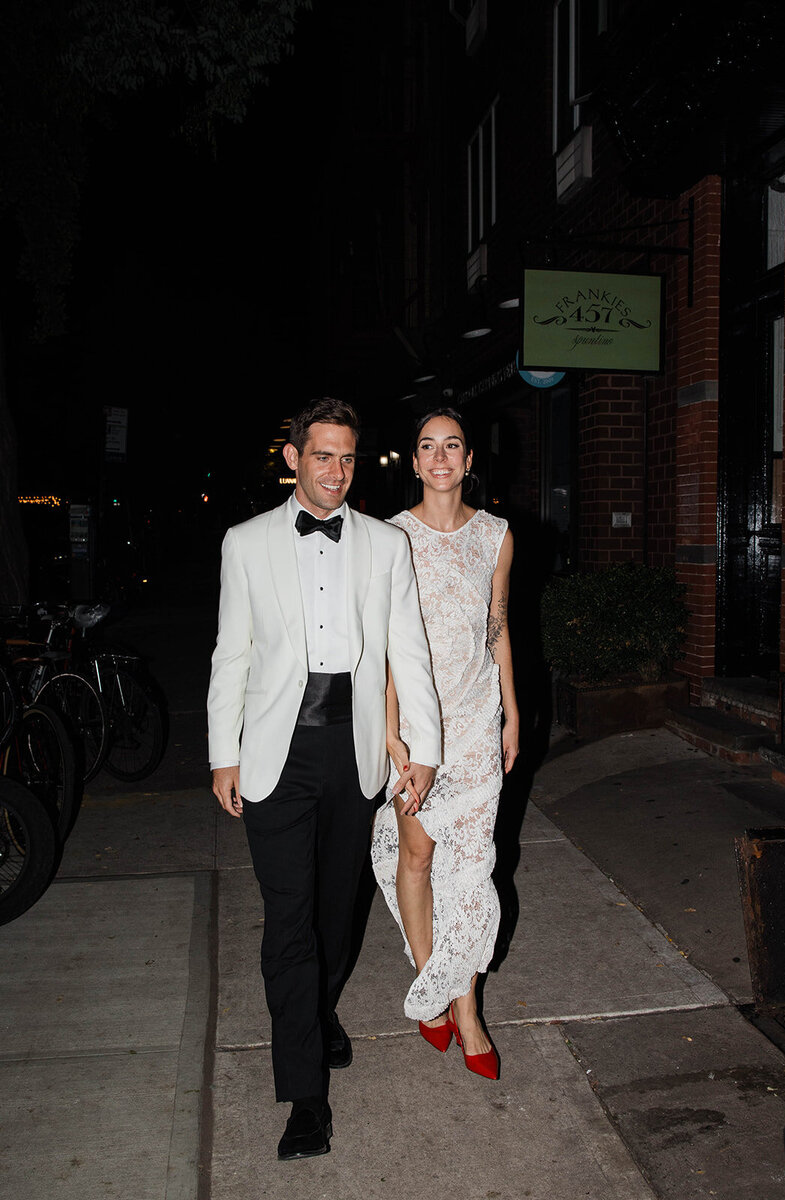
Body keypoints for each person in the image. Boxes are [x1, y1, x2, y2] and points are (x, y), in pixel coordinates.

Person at [207, 398, 440, 1161]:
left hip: (354, 750)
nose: (336, 472)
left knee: (339, 912)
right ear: (292, 459)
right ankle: (305, 1096)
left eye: (347, 458)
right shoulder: (244, 544)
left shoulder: (383, 544)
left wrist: (424, 747)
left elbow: (409, 651)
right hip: (278, 751)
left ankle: (320, 1006)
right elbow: (230, 656)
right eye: (322, 456)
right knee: (288, 923)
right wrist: (223, 753)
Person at [371, 406, 519, 1080]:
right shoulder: (391, 539)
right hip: (419, 726)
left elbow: (498, 626)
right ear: (415, 459)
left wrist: (512, 713)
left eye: (451, 445)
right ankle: (433, 984)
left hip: (478, 721)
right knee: (419, 853)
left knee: (472, 873)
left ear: (467, 460)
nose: (439, 457)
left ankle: (464, 1010)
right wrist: (393, 731)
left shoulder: (496, 536)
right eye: (426, 445)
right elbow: (388, 652)